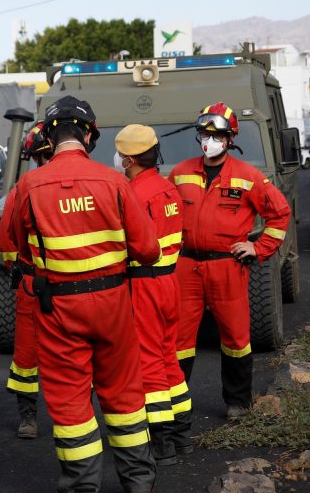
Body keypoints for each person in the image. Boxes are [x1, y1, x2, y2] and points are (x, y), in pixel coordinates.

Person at [11, 95, 161, 493]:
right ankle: (139, 484)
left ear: (46, 134)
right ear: (90, 134)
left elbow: (18, 245)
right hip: (114, 305)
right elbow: (148, 249)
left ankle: (82, 486)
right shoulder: (115, 182)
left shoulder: (28, 184)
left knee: (70, 403)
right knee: (126, 396)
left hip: (58, 309)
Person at [169, 102, 291, 420]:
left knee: (236, 337)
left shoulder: (249, 178)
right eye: (204, 134)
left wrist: (259, 247)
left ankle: (238, 402)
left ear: (229, 139)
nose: (208, 140)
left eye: (216, 135)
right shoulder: (180, 173)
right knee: (179, 337)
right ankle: (173, 402)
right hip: (186, 267)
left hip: (227, 266)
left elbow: (279, 214)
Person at [113, 125, 192, 465]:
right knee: (168, 356)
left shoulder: (134, 194)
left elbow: (127, 242)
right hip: (169, 283)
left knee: (149, 362)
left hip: (143, 284)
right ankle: (181, 433)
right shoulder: (169, 189)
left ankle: (161, 442)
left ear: (128, 158)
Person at [0, 122, 52, 439]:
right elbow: (9, 243)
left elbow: (9, 243)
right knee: (27, 355)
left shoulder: (24, 189)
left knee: (67, 350)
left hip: (54, 284)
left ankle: (67, 411)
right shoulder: (21, 191)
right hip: (36, 284)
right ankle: (29, 414)